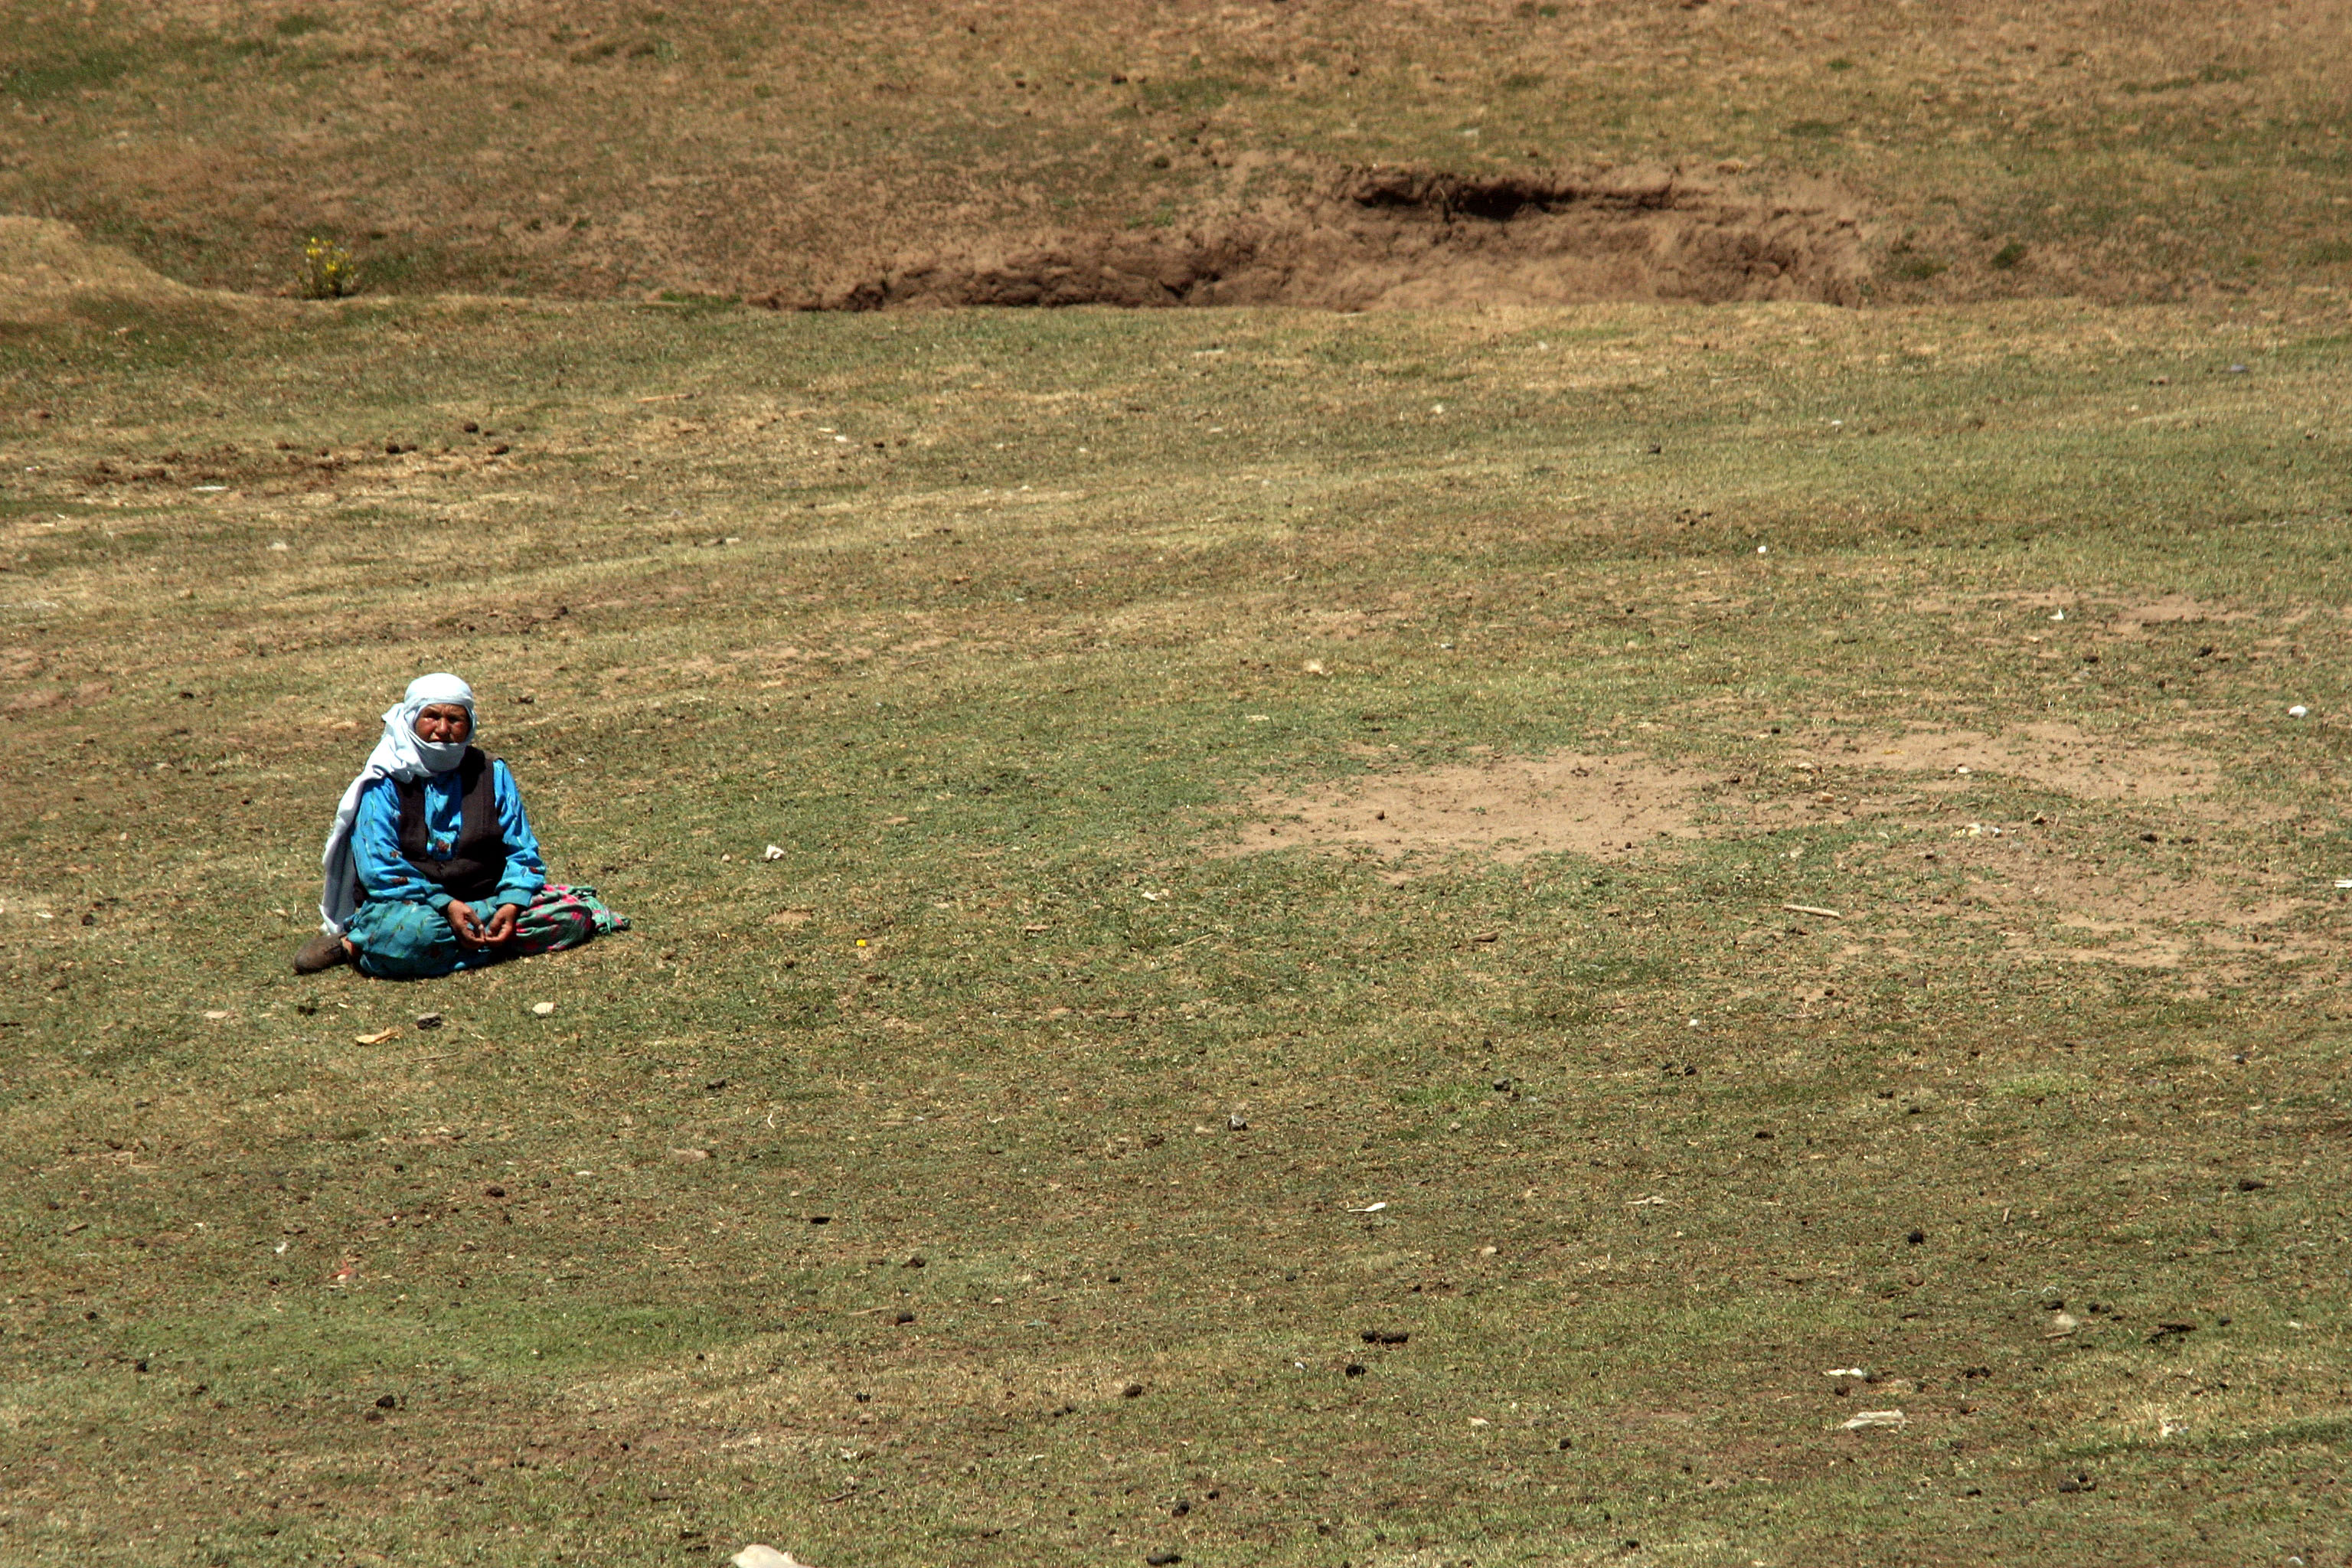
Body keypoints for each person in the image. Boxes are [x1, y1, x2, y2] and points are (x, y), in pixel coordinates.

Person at [292, 673, 627, 978]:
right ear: (411, 719)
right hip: (415, 908)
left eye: (455, 719)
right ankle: (359, 943)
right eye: (431, 717)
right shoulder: (385, 782)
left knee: (574, 915)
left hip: (488, 896)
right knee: (410, 934)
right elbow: (379, 868)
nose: (442, 729)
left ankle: (460, 941)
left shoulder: (491, 773)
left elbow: (522, 850)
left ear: (470, 725)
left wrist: (511, 903)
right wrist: (446, 905)